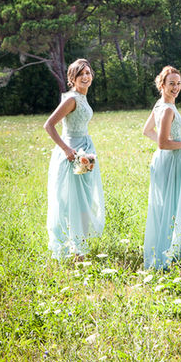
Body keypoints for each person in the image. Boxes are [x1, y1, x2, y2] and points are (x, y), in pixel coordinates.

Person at [141, 66, 181, 270]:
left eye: (178, 83)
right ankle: (164, 256)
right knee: (171, 207)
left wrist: (170, 142)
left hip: (166, 159)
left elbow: (147, 131)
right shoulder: (166, 109)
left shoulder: (160, 105)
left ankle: (167, 251)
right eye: (171, 84)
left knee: (165, 206)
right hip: (172, 160)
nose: (176, 87)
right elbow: (162, 143)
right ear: (162, 85)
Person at [43, 58, 105, 259]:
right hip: (72, 154)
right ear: (72, 78)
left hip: (85, 151)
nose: (85, 77)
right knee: (70, 201)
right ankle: (71, 249)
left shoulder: (83, 97)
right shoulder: (71, 99)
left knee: (84, 198)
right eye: (81, 74)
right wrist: (66, 149)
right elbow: (49, 125)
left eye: (87, 73)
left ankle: (80, 245)